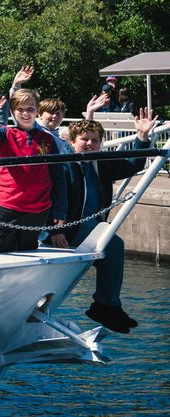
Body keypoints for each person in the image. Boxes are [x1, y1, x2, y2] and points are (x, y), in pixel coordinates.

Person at [66, 112, 159, 332]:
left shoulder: (102, 164)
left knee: (111, 246)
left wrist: (142, 137)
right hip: (67, 227)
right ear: (72, 142)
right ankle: (106, 305)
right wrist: (54, 231)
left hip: (92, 227)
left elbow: (131, 164)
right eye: (84, 139)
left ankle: (108, 305)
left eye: (95, 140)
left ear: (101, 143)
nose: (89, 144)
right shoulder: (64, 163)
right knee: (114, 244)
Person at [0, 89, 70, 254]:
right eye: (20, 109)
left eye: (30, 109)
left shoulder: (48, 140)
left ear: (37, 112)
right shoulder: (5, 134)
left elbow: (58, 177)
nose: (25, 113)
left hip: (38, 210)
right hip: (7, 205)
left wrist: (60, 211)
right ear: (12, 112)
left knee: (28, 252)